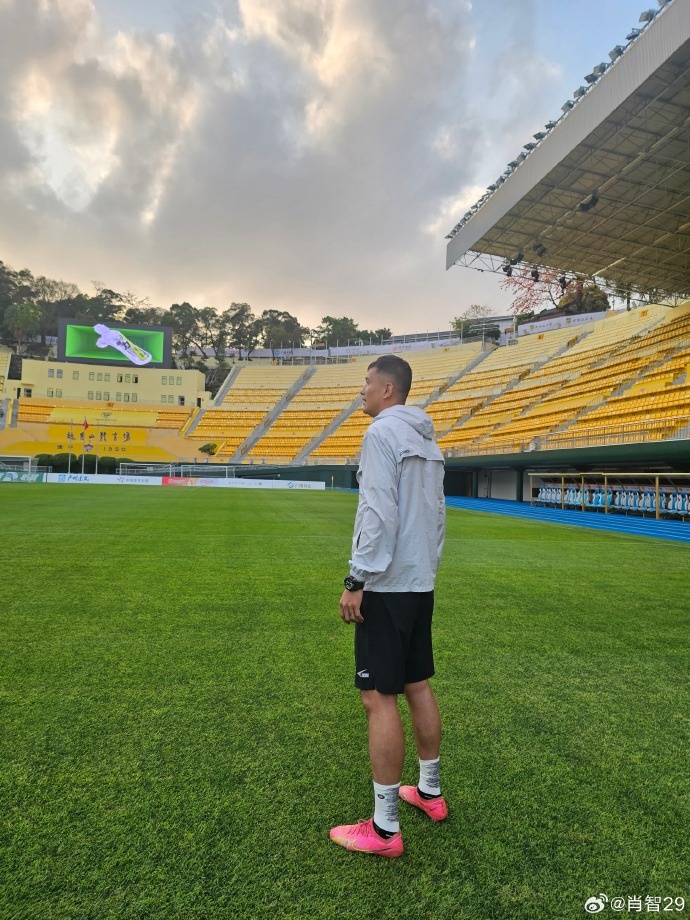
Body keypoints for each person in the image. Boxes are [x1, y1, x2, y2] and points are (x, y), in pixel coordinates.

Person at [329, 354, 447, 859]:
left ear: (388, 390)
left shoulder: (380, 435)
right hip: (420, 582)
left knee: (379, 697)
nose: (361, 392)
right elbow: (437, 514)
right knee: (417, 683)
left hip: (388, 584)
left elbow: (377, 510)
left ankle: (383, 830)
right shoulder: (427, 438)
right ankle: (429, 792)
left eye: (366, 383)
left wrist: (358, 578)